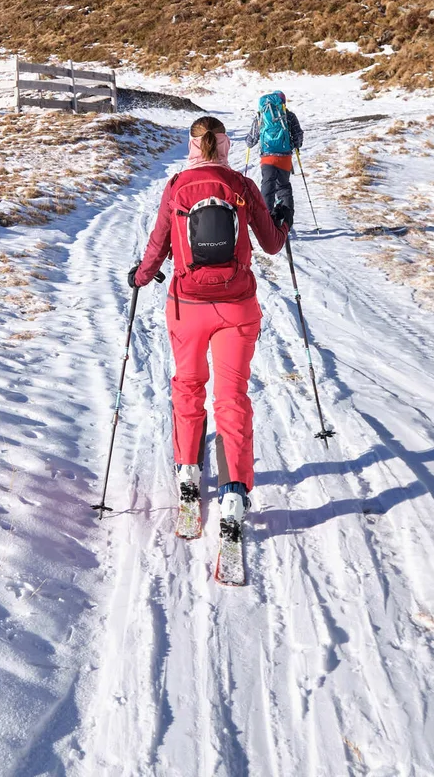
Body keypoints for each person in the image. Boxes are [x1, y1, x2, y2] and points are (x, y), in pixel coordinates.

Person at [128, 114, 287, 552]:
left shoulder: (176, 186)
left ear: (192, 144)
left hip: (187, 307)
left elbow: (158, 244)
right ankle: (234, 496)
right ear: (225, 143)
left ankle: (187, 478)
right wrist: (282, 215)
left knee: (188, 388)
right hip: (238, 307)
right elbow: (272, 244)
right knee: (232, 397)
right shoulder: (240, 185)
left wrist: (141, 277)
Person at [242, 91, 303, 228]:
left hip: (267, 158)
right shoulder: (289, 115)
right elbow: (298, 136)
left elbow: (251, 140)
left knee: (267, 186)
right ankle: (287, 222)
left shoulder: (261, 115)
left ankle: (266, 220)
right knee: (283, 187)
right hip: (284, 158)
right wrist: (295, 146)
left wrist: (249, 142)